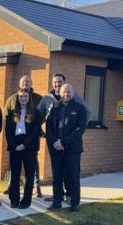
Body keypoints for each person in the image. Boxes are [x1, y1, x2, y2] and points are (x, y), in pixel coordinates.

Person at [38, 73, 90, 202]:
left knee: (70, 173)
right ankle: (58, 197)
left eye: (59, 81)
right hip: (54, 143)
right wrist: (42, 134)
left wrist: (77, 132)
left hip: (71, 144)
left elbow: (86, 114)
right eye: (55, 82)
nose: (57, 84)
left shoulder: (75, 98)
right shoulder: (48, 100)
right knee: (57, 173)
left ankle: (70, 196)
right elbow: (39, 116)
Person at [46, 84, 88, 212]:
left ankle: (74, 203)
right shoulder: (55, 108)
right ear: (61, 93)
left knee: (73, 177)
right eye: (64, 92)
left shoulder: (80, 109)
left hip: (72, 149)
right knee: (57, 177)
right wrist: (54, 142)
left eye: (69, 92)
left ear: (73, 93)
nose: (66, 94)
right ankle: (57, 202)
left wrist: (63, 142)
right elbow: (49, 128)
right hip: (56, 149)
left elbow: (79, 130)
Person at [5, 90, 42, 209]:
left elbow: (35, 132)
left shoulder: (35, 113)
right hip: (15, 147)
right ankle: (14, 200)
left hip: (29, 148)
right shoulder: (12, 113)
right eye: (20, 97)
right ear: (17, 98)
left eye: (25, 96)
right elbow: (8, 132)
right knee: (15, 175)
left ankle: (26, 201)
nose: (23, 99)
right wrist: (15, 145)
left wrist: (24, 145)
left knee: (29, 175)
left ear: (29, 98)